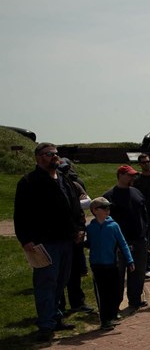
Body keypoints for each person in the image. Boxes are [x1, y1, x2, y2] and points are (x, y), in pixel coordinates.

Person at [14, 142, 86, 342]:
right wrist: (26, 239)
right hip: (44, 242)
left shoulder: (64, 180)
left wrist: (80, 229)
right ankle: (45, 324)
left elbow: (76, 208)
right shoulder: (29, 182)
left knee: (61, 282)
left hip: (67, 241)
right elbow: (20, 214)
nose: (55, 156)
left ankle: (56, 317)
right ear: (38, 157)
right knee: (46, 283)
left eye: (56, 153)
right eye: (49, 154)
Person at [103, 165, 149, 310]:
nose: (132, 178)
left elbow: (144, 214)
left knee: (138, 272)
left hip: (139, 240)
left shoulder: (137, 192)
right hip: (119, 242)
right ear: (120, 175)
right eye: (129, 175)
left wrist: (145, 231)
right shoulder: (109, 197)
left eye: (133, 175)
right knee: (118, 275)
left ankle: (135, 300)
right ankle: (115, 305)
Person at [85, 197, 135, 331]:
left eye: (108, 207)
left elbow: (123, 243)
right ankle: (105, 319)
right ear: (95, 210)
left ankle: (112, 313)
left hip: (112, 264)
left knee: (115, 291)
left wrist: (129, 260)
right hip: (97, 265)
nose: (108, 210)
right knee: (103, 293)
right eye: (104, 207)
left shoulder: (114, 226)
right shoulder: (90, 228)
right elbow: (88, 243)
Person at [57, 159, 93, 315]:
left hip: (75, 234)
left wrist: (80, 229)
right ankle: (59, 306)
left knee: (75, 271)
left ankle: (77, 302)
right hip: (57, 236)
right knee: (58, 274)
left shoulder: (74, 185)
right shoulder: (50, 186)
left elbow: (86, 202)